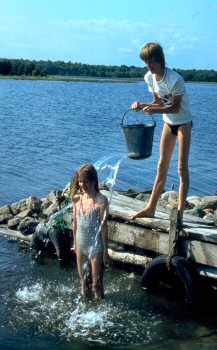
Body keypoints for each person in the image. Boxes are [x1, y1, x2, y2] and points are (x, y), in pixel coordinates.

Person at [130, 42, 192, 223]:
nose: (148, 65)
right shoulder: (149, 77)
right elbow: (157, 102)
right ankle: (151, 207)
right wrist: (142, 105)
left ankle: (179, 214)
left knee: (181, 168)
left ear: (160, 60)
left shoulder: (175, 79)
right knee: (161, 166)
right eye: (146, 62)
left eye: (151, 61)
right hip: (168, 123)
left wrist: (154, 111)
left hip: (183, 124)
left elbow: (174, 106)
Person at [70, 163, 110, 300]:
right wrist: (75, 244)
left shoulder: (101, 201)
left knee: (96, 285)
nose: (82, 184)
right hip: (81, 246)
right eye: (80, 181)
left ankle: (101, 312)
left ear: (93, 181)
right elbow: (75, 224)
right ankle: (86, 310)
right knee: (84, 285)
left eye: (85, 181)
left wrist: (106, 252)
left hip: (96, 248)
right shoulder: (77, 199)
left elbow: (104, 227)